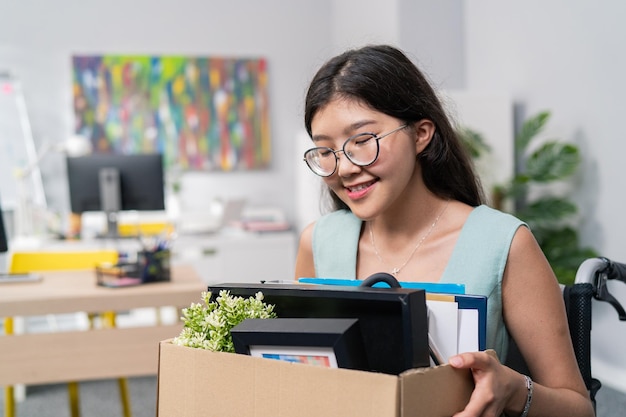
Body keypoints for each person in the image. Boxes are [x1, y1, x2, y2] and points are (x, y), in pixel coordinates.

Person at [295, 44, 594, 417]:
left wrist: (513, 389)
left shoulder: (502, 243)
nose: (344, 168)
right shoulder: (318, 242)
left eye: (362, 141)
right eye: (326, 151)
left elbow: (579, 409)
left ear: (421, 133)